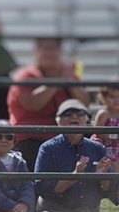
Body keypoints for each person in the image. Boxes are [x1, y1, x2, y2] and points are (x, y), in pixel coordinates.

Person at [34, 99, 119, 212]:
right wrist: (73, 177)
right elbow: (42, 188)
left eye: (79, 113)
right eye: (68, 114)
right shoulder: (47, 148)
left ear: (87, 120)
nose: (74, 117)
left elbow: (112, 192)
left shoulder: (97, 149)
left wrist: (102, 177)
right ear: (58, 120)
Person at [6, 37, 90, 169]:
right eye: (44, 48)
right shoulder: (27, 75)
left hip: (65, 139)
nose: (49, 53)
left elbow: (84, 104)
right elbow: (33, 104)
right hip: (30, 139)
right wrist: (58, 80)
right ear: (36, 52)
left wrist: (69, 81)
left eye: (53, 48)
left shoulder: (67, 75)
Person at [92, 84, 119, 162]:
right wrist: (114, 137)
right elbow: (98, 132)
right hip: (105, 145)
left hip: (117, 144)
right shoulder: (104, 113)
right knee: (114, 157)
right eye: (112, 97)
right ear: (104, 98)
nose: (116, 100)